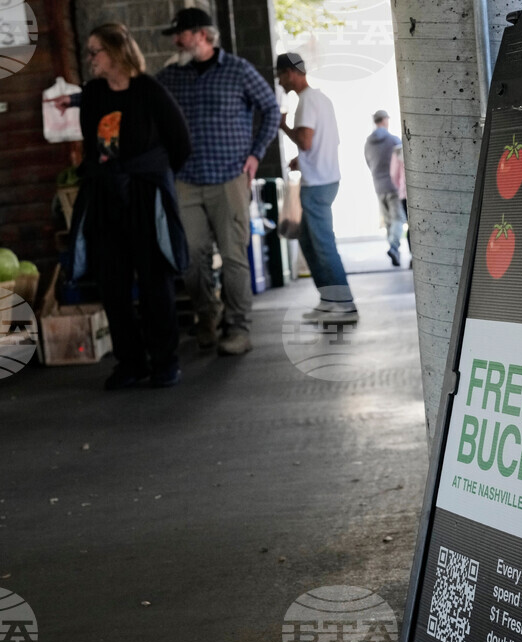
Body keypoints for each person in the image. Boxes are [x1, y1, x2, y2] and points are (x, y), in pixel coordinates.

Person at [67, 23, 192, 390]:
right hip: (106, 195)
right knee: (113, 283)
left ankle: (165, 360)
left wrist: (153, 178)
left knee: (155, 282)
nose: (90, 58)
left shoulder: (148, 91)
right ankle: (131, 361)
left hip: (143, 195)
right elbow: (92, 146)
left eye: (95, 51)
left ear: (117, 52)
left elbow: (180, 144)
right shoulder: (92, 95)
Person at [155, 8, 280, 355]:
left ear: (202, 35)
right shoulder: (170, 77)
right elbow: (139, 97)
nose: (176, 41)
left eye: (181, 34)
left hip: (229, 179)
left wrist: (255, 154)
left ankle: (238, 328)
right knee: (192, 256)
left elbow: (270, 108)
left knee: (233, 256)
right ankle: (207, 316)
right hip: (186, 181)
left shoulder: (239, 70)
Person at [276, 53, 357, 324]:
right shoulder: (321, 99)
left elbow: (306, 140)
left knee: (322, 245)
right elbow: (322, 141)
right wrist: (303, 160)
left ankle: (343, 303)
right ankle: (328, 301)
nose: (280, 81)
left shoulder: (307, 101)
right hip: (325, 178)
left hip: (318, 184)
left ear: (290, 72)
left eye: (280, 75)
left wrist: (283, 125)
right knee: (310, 243)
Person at [363, 110, 406, 266]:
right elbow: (401, 163)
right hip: (393, 186)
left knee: (388, 221)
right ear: (384, 120)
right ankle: (394, 247)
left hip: (378, 186)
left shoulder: (368, 143)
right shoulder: (393, 141)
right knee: (398, 219)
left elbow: (368, 163)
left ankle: (394, 249)